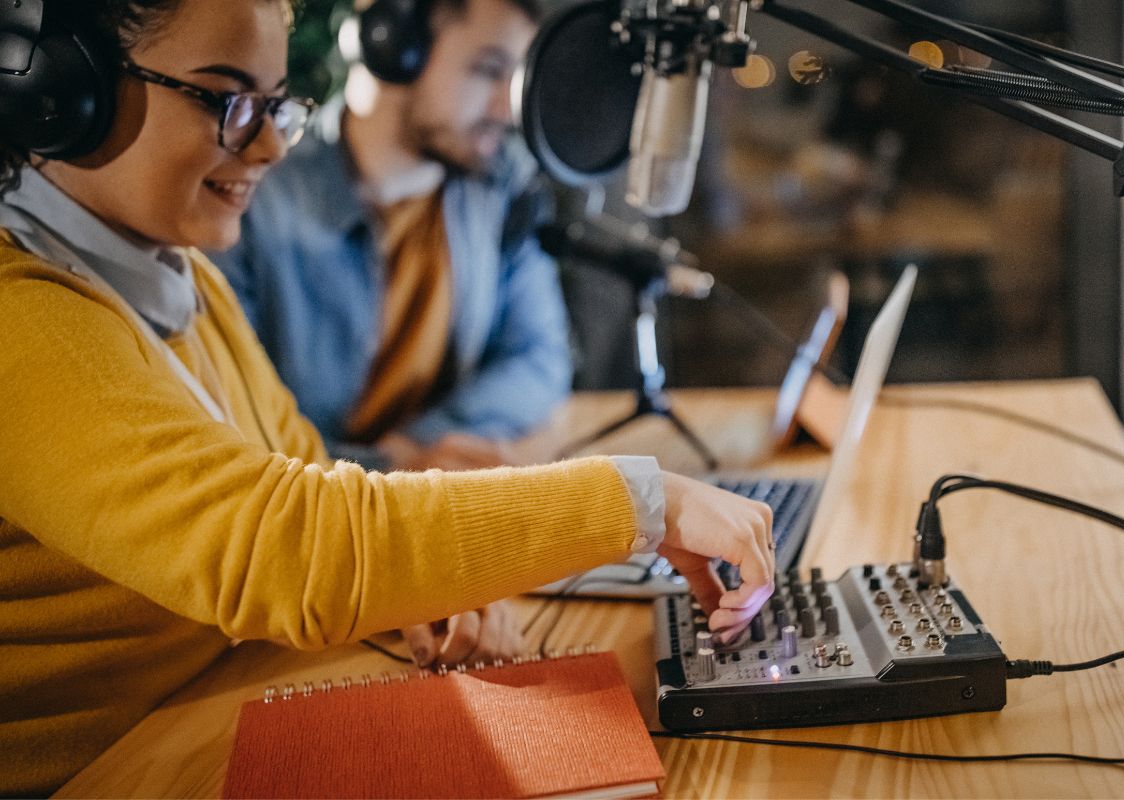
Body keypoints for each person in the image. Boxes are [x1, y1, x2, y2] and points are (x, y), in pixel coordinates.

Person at [0, 1, 773, 793]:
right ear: (59, 89)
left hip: (209, 713)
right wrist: (639, 501)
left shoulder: (181, 273)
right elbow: (289, 546)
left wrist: (413, 586)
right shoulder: (18, 319)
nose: (266, 144)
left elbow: (299, 469)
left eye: (273, 106)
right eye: (225, 100)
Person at [210, 0, 570, 473]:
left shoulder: (499, 190)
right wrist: (382, 468)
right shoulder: (253, 200)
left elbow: (541, 358)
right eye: (488, 70)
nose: (507, 108)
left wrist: (420, 449)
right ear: (396, 46)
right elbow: (230, 425)